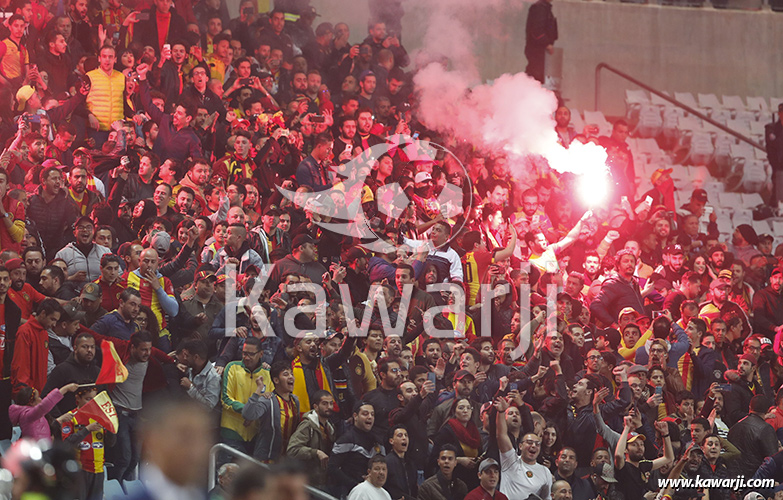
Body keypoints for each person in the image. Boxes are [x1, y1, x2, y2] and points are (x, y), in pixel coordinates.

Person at [242, 361, 300, 463]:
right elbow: (248, 414)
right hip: (267, 460)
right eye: (286, 374)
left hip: (288, 460)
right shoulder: (268, 400)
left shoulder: (295, 401)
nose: (291, 377)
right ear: (276, 380)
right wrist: (258, 390)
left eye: (292, 374)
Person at [494, 396, 552, 500]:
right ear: (520, 446)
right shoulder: (510, 462)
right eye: (529, 442)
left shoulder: (545, 471)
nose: (533, 445)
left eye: (537, 444)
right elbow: (501, 435)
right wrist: (501, 412)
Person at [328, 401, 384, 498]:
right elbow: (332, 467)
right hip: (350, 491)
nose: (370, 417)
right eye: (365, 414)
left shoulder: (378, 440)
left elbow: (383, 465)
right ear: (355, 416)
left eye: (372, 414)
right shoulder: (346, 439)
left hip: (373, 490)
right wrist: (355, 484)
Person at [286, 390, 336, 488]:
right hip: (307, 481)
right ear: (316, 407)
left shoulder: (330, 427)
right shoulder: (307, 425)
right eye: (324, 404)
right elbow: (292, 449)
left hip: (322, 479)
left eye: (331, 403)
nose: (329, 407)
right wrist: (315, 452)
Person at [727, 394, 779, 478]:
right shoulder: (766, 429)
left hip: (734, 479)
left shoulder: (734, 427)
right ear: (767, 410)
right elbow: (773, 459)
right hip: (757, 480)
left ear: (750, 407)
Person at [525, 0, 557, 84]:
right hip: (537, 50)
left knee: (538, 77)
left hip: (541, 51)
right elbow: (537, 30)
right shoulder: (540, 8)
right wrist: (546, 43)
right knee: (535, 77)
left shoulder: (544, 7)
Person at [766, 103, 783, 206]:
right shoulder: (771, 128)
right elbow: (772, 144)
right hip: (778, 165)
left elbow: (777, 142)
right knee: (777, 189)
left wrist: (777, 140)